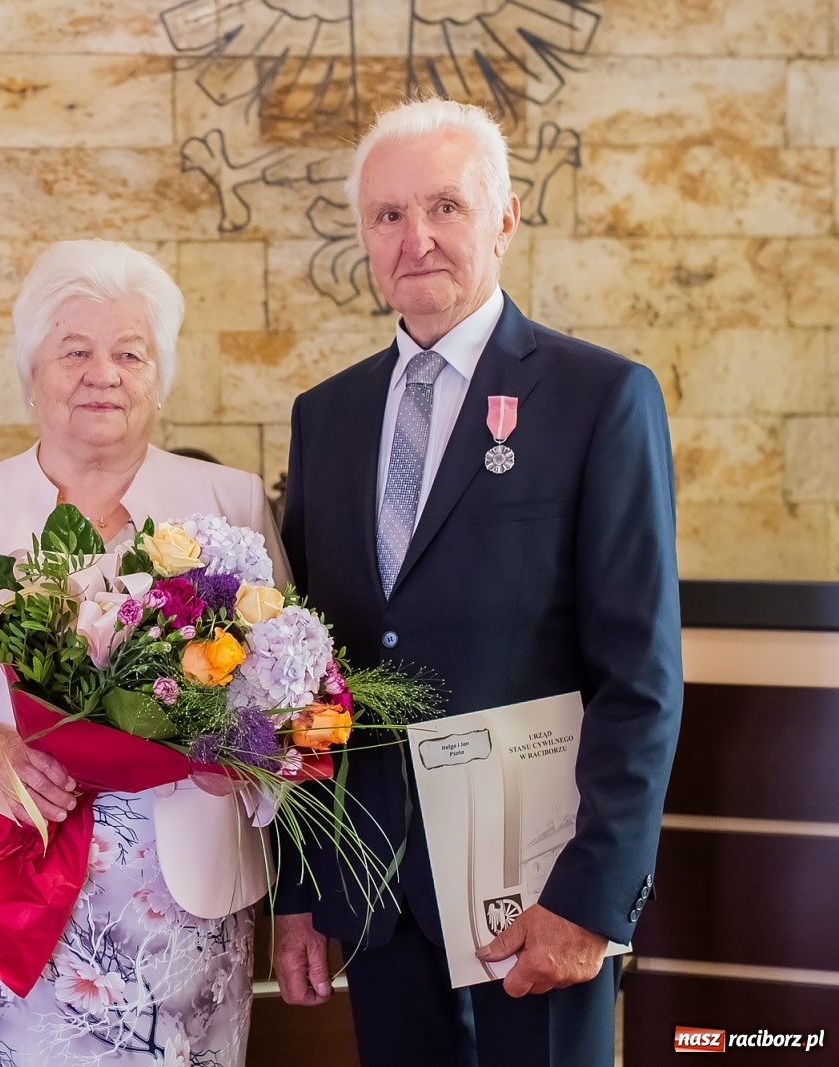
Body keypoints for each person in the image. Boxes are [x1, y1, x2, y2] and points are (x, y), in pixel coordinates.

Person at [272, 98, 683, 1067]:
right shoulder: (322, 418)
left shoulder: (599, 399)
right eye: (386, 216)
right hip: (376, 901)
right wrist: (300, 888)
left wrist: (591, 896)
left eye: (445, 206)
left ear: (502, 219)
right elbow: (299, 679)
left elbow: (640, 676)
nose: (414, 238)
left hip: (537, 894)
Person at [0, 240, 280, 1065]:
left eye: (131, 351)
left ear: (158, 372)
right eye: (75, 350)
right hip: (13, 881)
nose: (105, 373)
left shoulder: (226, 501)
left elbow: (282, 685)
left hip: (185, 901)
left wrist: (243, 752)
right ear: (32, 371)